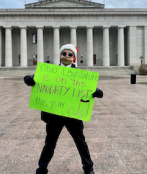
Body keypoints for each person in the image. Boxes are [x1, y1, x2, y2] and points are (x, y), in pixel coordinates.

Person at [24, 44, 103, 174]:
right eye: (64, 54)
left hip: (73, 115)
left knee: (80, 143)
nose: (66, 56)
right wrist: (28, 79)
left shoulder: (80, 75)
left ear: (74, 57)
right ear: (60, 55)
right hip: (54, 114)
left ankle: (88, 168)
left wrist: (98, 92)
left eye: (69, 54)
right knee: (49, 144)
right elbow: (35, 77)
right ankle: (42, 168)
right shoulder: (51, 71)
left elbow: (89, 87)